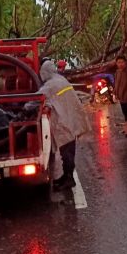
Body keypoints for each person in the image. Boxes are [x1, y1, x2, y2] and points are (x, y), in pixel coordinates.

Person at [39, 60, 92, 191]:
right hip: (72, 119)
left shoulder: (50, 85)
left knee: (66, 152)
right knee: (68, 150)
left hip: (64, 121)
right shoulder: (61, 79)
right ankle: (67, 176)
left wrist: (23, 108)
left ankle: (69, 179)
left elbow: (36, 99)